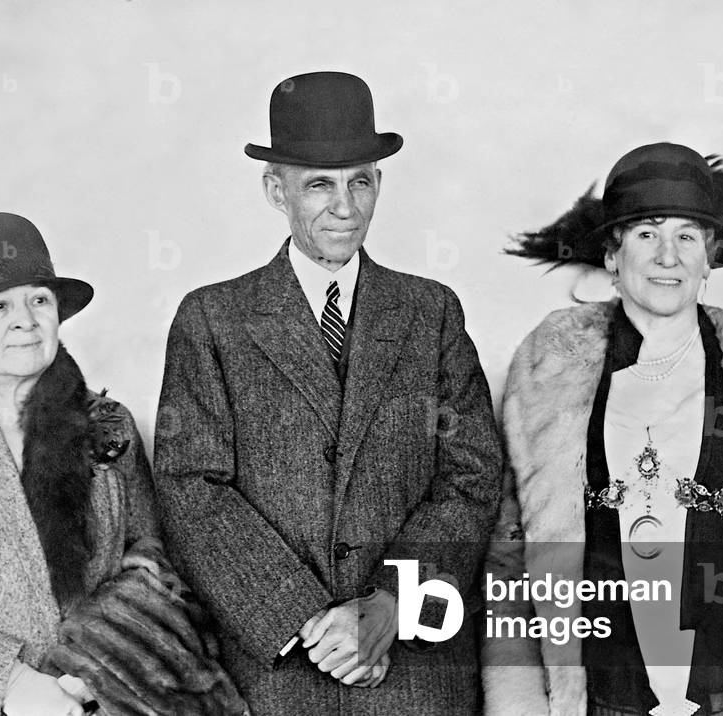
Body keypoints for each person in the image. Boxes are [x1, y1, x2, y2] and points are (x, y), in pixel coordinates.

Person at [154, 71, 504, 715]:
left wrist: (390, 606)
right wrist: (314, 626)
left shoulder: (431, 312)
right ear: (274, 190)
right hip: (278, 671)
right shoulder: (212, 320)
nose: (345, 206)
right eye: (319, 184)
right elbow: (191, 490)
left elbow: (473, 476)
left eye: (361, 181)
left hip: (412, 670)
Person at [483, 143, 723, 715]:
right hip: (601, 703)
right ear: (612, 257)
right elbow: (510, 572)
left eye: (686, 236)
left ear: (709, 257)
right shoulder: (551, 375)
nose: (668, 256)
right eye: (645, 233)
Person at [0, 213, 246, 716]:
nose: (26, 319)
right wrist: (8, 680)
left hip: (90, 702)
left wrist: (91, 670)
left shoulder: (108, 426)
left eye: (39, 299)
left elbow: (151, 554)